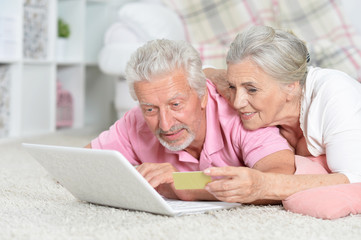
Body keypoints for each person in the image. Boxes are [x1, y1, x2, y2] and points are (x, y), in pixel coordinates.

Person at [85, 39, 295, 202]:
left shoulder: (241, 113)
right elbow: (81, 164)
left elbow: (279, 176)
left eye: (176, 105)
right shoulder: (136, 120)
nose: (165, 125)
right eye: (150, 109)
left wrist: (183, 183)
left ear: (203, 95)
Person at [204, 25, 361, 219]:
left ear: (291, 87)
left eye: (251, 89)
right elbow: (203, 72)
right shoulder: (251, 93)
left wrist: (264, 186)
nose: (237, 102)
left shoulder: (335, 95)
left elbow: (355, 180)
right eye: (232, 86)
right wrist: (225, 80)